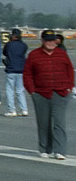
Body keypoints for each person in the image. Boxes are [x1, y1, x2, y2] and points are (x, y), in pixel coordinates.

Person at [23, 31, 73, 159]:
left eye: (53, 40)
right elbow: (27, 74)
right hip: (41, 93)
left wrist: (69, 87)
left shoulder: (62, 54)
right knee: (43, 122)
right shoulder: (34, 55)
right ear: (42, 41)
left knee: (59, 122)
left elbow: (70, 71)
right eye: (48, 40)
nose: (51, 43)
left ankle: (60, 151)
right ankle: (44, 148)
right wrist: (32, 91)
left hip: (60, 92)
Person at [2, 29, 29, 117]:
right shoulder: (24, 45)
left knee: (10, 90)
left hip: (11, 68)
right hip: (21, 68)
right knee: (20, 90)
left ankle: (11, 110)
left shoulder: (9, 45)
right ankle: (24, 109)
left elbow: (5, 53)